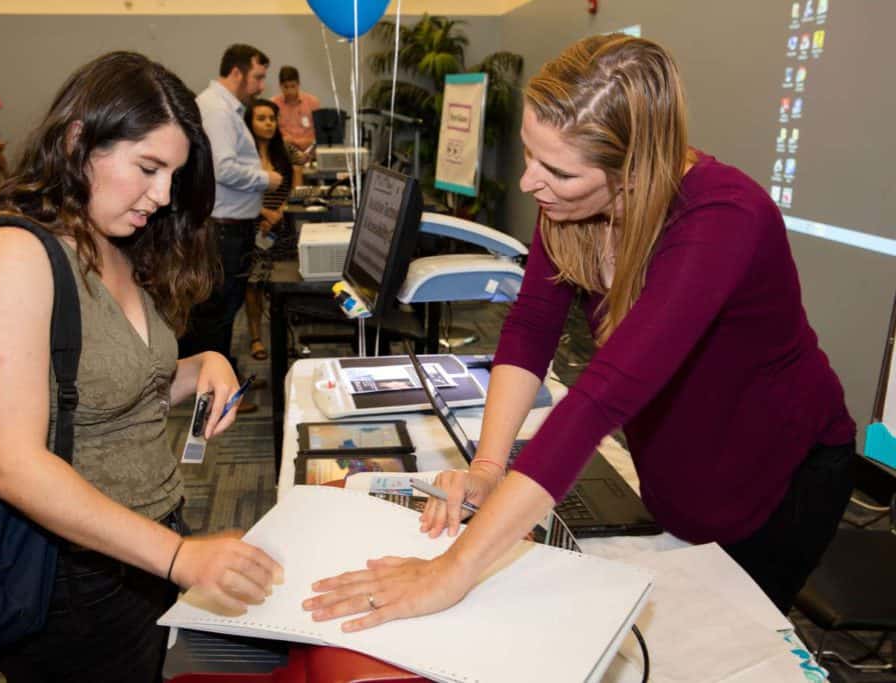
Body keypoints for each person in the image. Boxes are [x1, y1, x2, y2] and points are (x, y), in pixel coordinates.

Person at [302, 34, 856, 630]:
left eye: (558, 171)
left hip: (776, 480)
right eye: (528, 155)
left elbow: (602, 397)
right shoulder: (569, 203)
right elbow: (532, 326)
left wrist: (451, 571)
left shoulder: (725, 218)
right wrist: (488, 469)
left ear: (632, 169)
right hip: (679, 468)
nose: (528, 184)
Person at [0, 51, 282, 681]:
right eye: (147, 168)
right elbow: (12, 464)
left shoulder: (115, 241)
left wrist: (202, 361)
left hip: (143, 548)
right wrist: (179, 556)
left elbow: (109, 388)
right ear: (80, 140)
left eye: (172, 176)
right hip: (71, 578)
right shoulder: (14, 253)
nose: (161, 196)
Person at [184, 44, 282, 413]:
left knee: (222, 310)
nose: (260, 87)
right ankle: (214, 394)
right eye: (257, 77)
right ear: (237, 72)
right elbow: (222, 169)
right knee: (217, 312)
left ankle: (217, 381)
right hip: (221, 229)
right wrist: (265, 179)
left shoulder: (225, 108)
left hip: (231, 226)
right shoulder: (217, 109)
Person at [243, 99, 304, 361]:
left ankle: (288, 338)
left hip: (283, 226)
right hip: (251, 225)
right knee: (253, 285)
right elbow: (234, 188)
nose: (268, 123)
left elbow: (297, 189)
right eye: (261, 118)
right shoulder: (242, 151)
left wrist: (278, 212)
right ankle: (256, 338)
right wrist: (263, 213)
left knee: (286, 285)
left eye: (272, 118)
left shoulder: (286, 150)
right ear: (249, 122)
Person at [270, 65, 320, 154]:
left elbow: (319, 131)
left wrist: (301, 142)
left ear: (298, 84)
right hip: (284, 151)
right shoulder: (273, 104)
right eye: (286, 87)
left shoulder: (312, 102)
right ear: (280, 86)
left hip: (309, 150)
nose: (290, 91)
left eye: (293, 86)